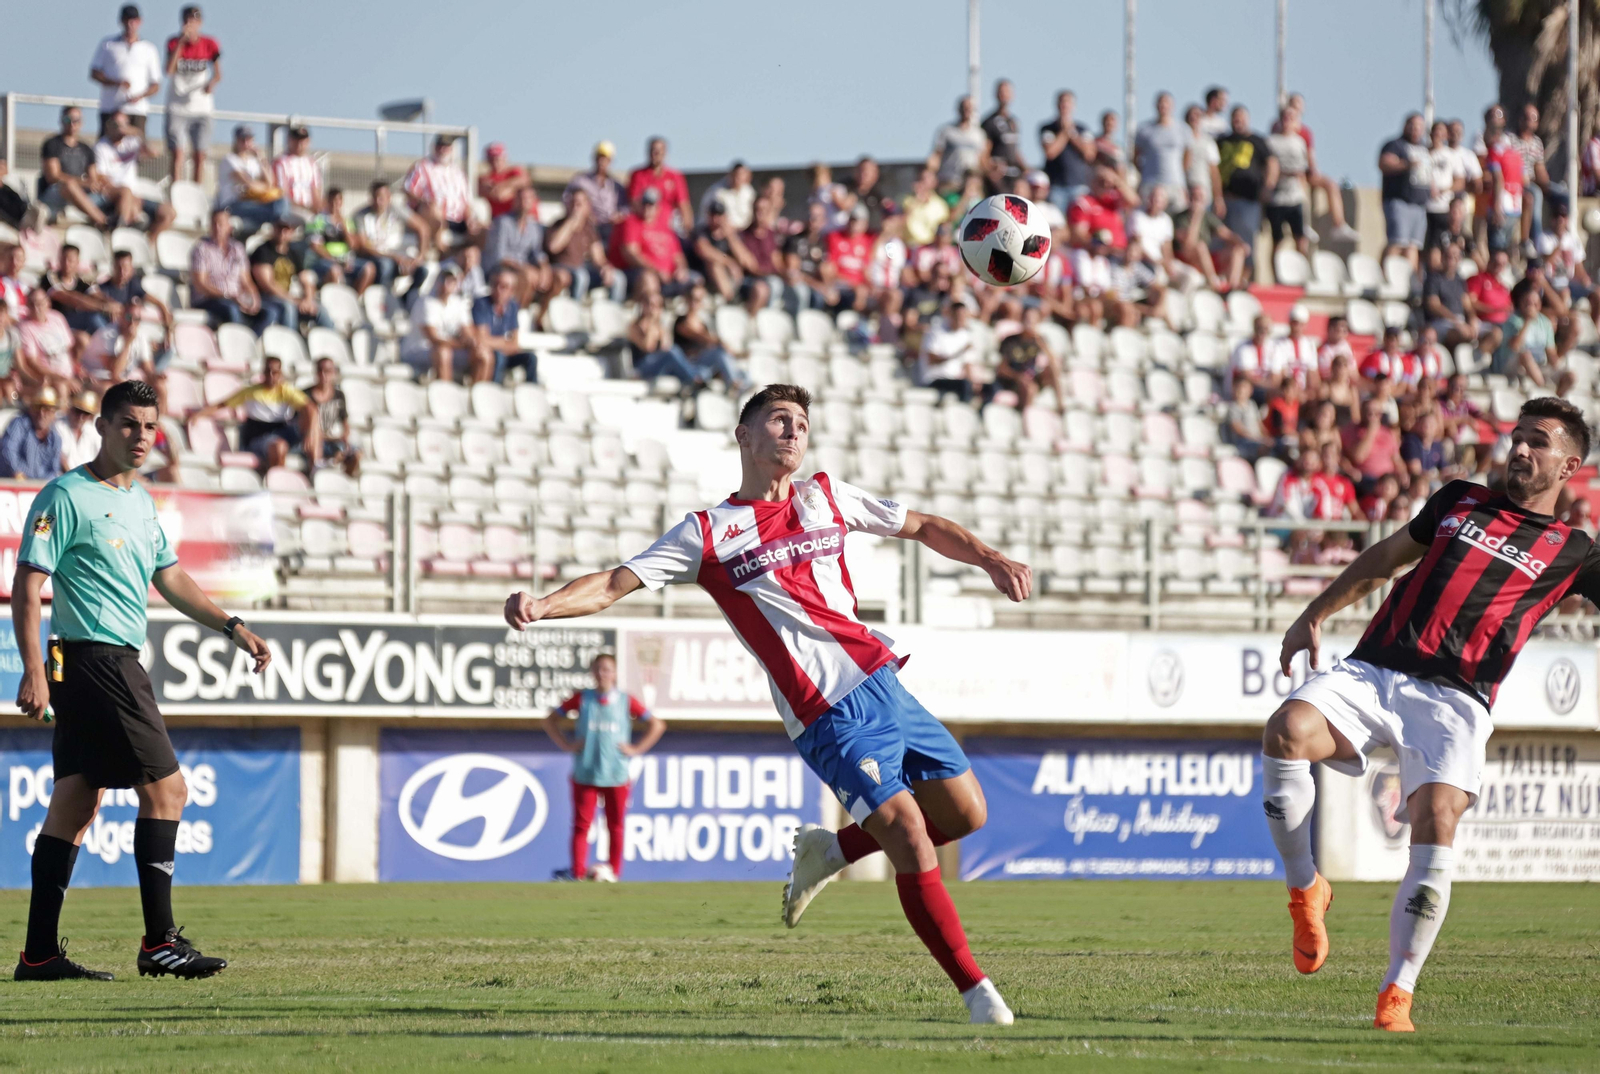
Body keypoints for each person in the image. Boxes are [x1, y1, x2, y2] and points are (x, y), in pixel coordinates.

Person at [503, 383, 1026, 1025]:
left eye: (802, 422)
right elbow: (615, 583)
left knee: (966, 815)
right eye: (778, 419)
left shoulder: (826, 496)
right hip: (827, 714)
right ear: (743, 436)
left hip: (888, 685)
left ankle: (832, 852)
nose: (793, 431)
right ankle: (977, 994)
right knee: (912, 837)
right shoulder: (708, 532)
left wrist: (990, 559)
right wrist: (543, 605)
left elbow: (920, 526)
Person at [1263, 396, 1600, 1032]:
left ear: (1569, 465)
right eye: (1517, 436)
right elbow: (1386, 558)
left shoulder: (1574, 552)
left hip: (1457, 700)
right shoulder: (1459, 500)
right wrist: (1315, 614)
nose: (1520, 449)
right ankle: (1306, 886)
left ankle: (1398, 992)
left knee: (1436, 821)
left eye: (1538, 442)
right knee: (1286, 731)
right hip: (1376, 668)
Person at [12, 378, 268, 983]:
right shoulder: (66, 495)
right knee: (169, 790)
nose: (141, 437)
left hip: (102, 660)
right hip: (97, 659)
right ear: (100, 426)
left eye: (150, 427)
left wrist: (232, 626)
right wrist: (31, 671)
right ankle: (159, 943)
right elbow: (28, 587)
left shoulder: (141, 501)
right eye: (129, 424)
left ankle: (39, 955)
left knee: (76, 801)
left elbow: (171, 578)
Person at [546, 652, 665, 883]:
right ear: (592, 672)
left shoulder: (625, 700)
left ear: (615, 673)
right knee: (582, 825)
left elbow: (656, 725)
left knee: (616, 825)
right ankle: (578, 873)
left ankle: (614, 872)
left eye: (607, 669)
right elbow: (550, 720)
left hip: (616, 773)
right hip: (586, 771)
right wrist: (566, 744)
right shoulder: (582, 699)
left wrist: (636, 749)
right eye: (599, 669)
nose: (603, 674)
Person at [196, 354, 314, 470]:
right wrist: (198, 415)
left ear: (280, 374)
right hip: (258, 438)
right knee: (279, 448)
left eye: (275, 372)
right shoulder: (251, 392)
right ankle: (277, 481)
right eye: (268, 372)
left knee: (313, 435)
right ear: (263, 372)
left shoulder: (287, 391)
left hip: (282, 435)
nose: (271, 376)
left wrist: (310, 433)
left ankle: (314, 468)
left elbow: (310, 408)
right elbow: (222, 405)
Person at [93, 111, 174, 241]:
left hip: (135, 194)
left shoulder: (132, 142)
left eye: (124, 124)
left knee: (169, 212)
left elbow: (153, 153)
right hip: (114, 194)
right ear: (108, 125)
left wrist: (138, 133)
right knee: (126, 192)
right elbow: (102, 177)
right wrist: (127, 196)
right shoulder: (101, 146)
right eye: (116, 124)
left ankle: (149, 245)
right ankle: (121, 236)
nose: (120, 128)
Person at [162, 4, 220, 184]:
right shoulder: (173, 42)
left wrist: (212, 83)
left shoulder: (210, 44)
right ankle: (176, 187)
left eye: (194, 20)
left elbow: (218, 73)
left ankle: (196, 190)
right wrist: (180, 44)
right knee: (178, 152)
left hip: (201, 107)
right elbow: (169, 71)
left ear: (200, 22)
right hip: (178, 106)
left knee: (199, 154)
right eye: (188, 20)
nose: (191, 24)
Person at [89, 5, 162, 138]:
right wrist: (115, 83)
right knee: (106, 147)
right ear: (121, 21)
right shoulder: (108, 44)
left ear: (140, 22)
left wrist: (140, 96)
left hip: (137, 110)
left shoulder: (149, 49)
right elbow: (94, 73)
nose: (130, 24)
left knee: (135, 149)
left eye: (133, 20)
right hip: (111, 107)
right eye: (127, 20)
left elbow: (156, 84)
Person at [1215, 106, 1277, 262]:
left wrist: (1268, 187)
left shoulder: (1257, 140)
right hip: (1225, 199)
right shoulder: (1222, 141)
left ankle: (1244, 277)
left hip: (1248, 200)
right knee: (1222, 240)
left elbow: (1272, 163)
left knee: (1246, 240)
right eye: (1235, 118)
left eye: (1241, 118)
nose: (1238, 121)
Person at [37, 107, 113, 230]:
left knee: (121, 191)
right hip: (54, 193)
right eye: (68, 119)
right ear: (61, 121)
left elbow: (92, 178)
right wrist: (83, 182)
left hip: (80, 193)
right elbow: (53, 176)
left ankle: (126, 222)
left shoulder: (86, 148)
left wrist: (100, 184)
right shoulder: (52, 144)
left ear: (81, 123)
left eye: (76, 120)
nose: (72, 124)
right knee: (69, 184)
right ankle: (104, 221)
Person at [191, 207, 264, 332]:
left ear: (229, 226)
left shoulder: (238, 249)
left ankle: (251, 339)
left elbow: (246, 280)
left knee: (270, 312)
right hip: (210, 299)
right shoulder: (201, 249)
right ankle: (239, 342)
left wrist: (254, 297)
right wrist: (227, 296)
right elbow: (201, 285)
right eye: (214, 223)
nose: (217, 227)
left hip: (235, 298)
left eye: (221, 224)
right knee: (232, 309)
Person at [403, 135, 480, 255]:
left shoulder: (458, 172)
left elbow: (466, 202)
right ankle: (442, 253)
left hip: (457, 219)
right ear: (434, 148)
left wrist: (471, 219)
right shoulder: (422, 167)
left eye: (446, 147)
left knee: (483, 230)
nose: (443, 150)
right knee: (436, 213)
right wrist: (425, 201)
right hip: (433, 216)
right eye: (440, 147)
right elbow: (408, 190)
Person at [546, 187, 623, 304]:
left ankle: (612, 314)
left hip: (583, 269)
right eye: (572, 203)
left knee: (618, 277)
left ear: (587, 206)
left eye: (579, 204)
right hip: (562, 268)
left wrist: (605, 268)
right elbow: (553, 247)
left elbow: (598, 257)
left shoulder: (589, 229)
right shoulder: (558, 224)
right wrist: (571, 222)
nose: (575, 207)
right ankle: (574, 312)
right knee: (581, 276)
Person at [610, 189, 691, 298]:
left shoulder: (666, 228)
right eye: (645, 204)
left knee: (696, 280)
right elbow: (631, 254)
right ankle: (649, 311)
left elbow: (678, 257)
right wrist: (656, 271)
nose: (647, 208)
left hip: (669, 277)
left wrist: (680, 269)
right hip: (640, 273)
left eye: (651, 205)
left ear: (658, 207)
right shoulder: (631, 222)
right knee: (649, 279)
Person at [400, 265, 475, 382]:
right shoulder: (425, 302)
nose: (446, 283)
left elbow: (468, 332)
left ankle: (479, 397)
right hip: (416, 350)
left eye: (451, 280)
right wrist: (462, 344)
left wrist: (469, 342)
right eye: (443, 279)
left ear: (458, 284)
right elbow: (433, 338)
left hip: (447, 349)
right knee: (443, 352)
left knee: (482, 355)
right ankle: (446, 396)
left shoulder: (459, 304)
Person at [484, 186, 556, 308]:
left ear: (533, 201)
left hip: (522, 268)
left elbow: (537, 253)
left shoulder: (534, 226)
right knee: (527, 277)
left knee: (552, 277)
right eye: (521, 198)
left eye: (528, 199)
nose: (524, 202)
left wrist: (545, 267)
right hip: (498, 268)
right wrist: (524, 268)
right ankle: (515, 314)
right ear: (515, 201)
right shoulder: (502, 222)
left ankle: (537, 316)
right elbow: (499, 256)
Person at [249, 221, 327, 333]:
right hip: (265, 298)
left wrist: (308, 300)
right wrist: (293, 300)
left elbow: (306, 280)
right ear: (274, 229)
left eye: (286, 229)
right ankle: (290, 342)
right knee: (288, 308)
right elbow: (268, 285)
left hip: (286, 297)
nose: (282, 232)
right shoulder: (263, 251)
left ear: (292, 232)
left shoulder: (293, 253)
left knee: (319, 310)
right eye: (280, 228)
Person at [1379, 114, 1432, 270]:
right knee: (1397, 242)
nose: (1416, 130)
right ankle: (1384, 274)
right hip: (1399, 201)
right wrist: (1406, 164)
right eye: (1413, 125)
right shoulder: (1395, 145)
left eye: (1419, 127)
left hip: (1419, 204)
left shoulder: (1424, 149)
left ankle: (1410, 279)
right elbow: (1384, 163)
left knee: (1413, 246)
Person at [350, 180, 420, 292]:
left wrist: (420, 257)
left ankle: (408, 299)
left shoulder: (396, 210)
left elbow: (422, 228)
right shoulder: (361, 215)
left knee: (421, 270)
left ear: (389, 197)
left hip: (395, 254)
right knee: (385, 265)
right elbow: (363, 246)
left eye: (381, 197)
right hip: (374, 255)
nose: (378, 201)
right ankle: (381, 298)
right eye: (375, 197)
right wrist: (393, 257)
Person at [216, 126, 288, 233]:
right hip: (233, 205)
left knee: (281, 201)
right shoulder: (229, 160)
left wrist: (260, 157)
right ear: (236, 141)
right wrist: (265, 187)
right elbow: (248, 183)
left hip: (253, 201)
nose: (246, 143)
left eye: (248, 139)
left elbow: (270, 181)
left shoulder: (253, 161)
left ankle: (280, 227)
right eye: (242, 139)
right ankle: (280, 228)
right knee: (273, 213)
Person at [472, 268, 534, 384]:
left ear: (512, 290)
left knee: (531, 358)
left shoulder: (513, 306)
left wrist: (498, 343)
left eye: (504, 286)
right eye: (496, 284)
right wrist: (505, 342)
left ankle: (532, 393)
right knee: (498, 356)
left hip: (503, 352)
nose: (499, 290)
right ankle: (495, 391)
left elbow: (515, 343)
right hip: (491, 353)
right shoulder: (482, 304)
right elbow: (482, 339)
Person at [1134, 91, 1192, 210]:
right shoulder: (1144, 129)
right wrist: (1145, 172)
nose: (1163, 106)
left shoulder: (1183, 129)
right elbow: (1135, 156)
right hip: (1150, 183)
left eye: (1166, 103)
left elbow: (1187, 157)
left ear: (1172, 106)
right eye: (1161, 103)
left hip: (1175, 183)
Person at [1040, 90, 1096, 211]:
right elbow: (1050, 152)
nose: (1065, 105)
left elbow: (1089, 154)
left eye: (1068, 102)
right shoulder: (1048, 129)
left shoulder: (1082, 129)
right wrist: (1064, 133)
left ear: (1073, 106)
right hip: (1056, 186)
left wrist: (1072, 133)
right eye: (1062, 102)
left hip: (1079, 186)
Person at [1493, 279, 1557, 386]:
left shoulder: (1545, 323)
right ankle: (1542, 389)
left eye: (1534, 304)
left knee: (1569, 376)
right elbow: (1515, 346)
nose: (1530, 306)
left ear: (1539, 305)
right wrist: (1527, 321)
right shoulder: (1512, 320)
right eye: (1527, 303)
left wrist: (1558, 368)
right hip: (1510, 364)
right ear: (1521, 303)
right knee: (1525, 355)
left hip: (1538, 364)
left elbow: (1551, 353)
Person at [18, 288, 77, 398]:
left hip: (68, 373)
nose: (36, 308)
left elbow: (69, 348)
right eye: (32, 304)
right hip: (49, 376)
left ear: (48, 303)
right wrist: (62, 378)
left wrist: (76, 372)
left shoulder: (57, 318)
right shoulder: (25, 327)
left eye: (40, 303)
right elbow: (32, 363)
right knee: (61, 387)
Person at [564, 141, 628, 240]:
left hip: (611, 230)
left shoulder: (616, 186)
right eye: (599, 157)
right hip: (587, 229)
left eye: (605, 159)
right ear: (594, 158)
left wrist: (618, 216)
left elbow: (626, 208)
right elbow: (566, 200)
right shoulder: (580, 180)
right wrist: (584, 214)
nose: (602, 162)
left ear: (610, 161)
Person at [305, 357, 359, 475]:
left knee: (356, 453)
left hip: (332, 438)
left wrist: (345, 436)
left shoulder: (339, 395)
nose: (324, 375)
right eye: (321, 370)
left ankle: (346, 480)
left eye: (328, 371)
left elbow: (345, 420)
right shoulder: (306, 395)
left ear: (334, 373)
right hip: (314, 441)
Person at [628, 137, 692, 235]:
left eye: (659, 151)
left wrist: (688, 228)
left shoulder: (675, 176)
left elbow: (683, 204)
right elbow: (634, 202)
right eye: (653, 150)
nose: (656, 154)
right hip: (645, 227)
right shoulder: (638, 175)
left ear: (665, 153)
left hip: (670, 227)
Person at [0, 388, 65, 480]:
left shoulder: (55, 439)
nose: (42, 414)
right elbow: (8, 451)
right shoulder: (19, 424)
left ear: (54, 413)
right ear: (31, 409)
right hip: (12, 484)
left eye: (47, 409)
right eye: (38, 407)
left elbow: (53, 470)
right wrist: (19, 474)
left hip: (39, 487)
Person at [929, 96, 988, 194]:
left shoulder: (978, 134)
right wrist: (930, 172)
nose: (966, 111)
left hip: (970, 184)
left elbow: (982, 159)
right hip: (950, 181)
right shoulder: (947, 131)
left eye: (969, 108)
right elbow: (937, 154)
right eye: (964, 107)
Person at [271, 126, 321, 224]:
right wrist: (304, 208)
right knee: (309, 220)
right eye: (296, 140)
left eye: (302, 140)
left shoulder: (311, 164)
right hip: (291, 209)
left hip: (309, 209)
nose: (299, 144)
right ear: (289, 140)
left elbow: (316, 191)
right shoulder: (281, 162)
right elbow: (282, 193)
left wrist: (318, 208)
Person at [476, 142, 530, 220]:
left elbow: (524, 181)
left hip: (520, 219)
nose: (495, 162)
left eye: (498, 159)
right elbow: (499, 196)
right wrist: (511, 188)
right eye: (492, 159)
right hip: (498, 220)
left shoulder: (515, 172)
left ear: (504, 158)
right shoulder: (484, 178)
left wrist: (498, 186)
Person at [698, 161, 755, 232]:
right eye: (736, 175)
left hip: (746, 232)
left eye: (741, 175)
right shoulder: (717, 192)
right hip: (723, 232)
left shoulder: (749, 192)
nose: (738, 178)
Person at [57, 391, 102, 472]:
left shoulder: (92, 432)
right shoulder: (59, 426)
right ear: (71, 409)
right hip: (64, 479)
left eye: (85, 413)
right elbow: (60, 458)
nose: (81, 417)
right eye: (78, 411)